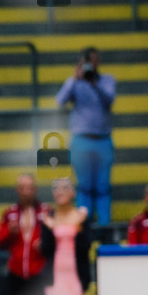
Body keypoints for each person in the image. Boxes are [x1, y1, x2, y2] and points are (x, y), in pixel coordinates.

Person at [55, 46, 116, 225]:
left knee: (103, 186)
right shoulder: (75, 82)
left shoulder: (107, 81)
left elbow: (109, 100)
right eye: (89, 61)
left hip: (103, 140)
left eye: (95, 60)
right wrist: (75, 78)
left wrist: (93, 84)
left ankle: (105, 225)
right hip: (81, 140)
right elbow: (60, 101)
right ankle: (85, 224)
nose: (93, 64)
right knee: (84, 186)